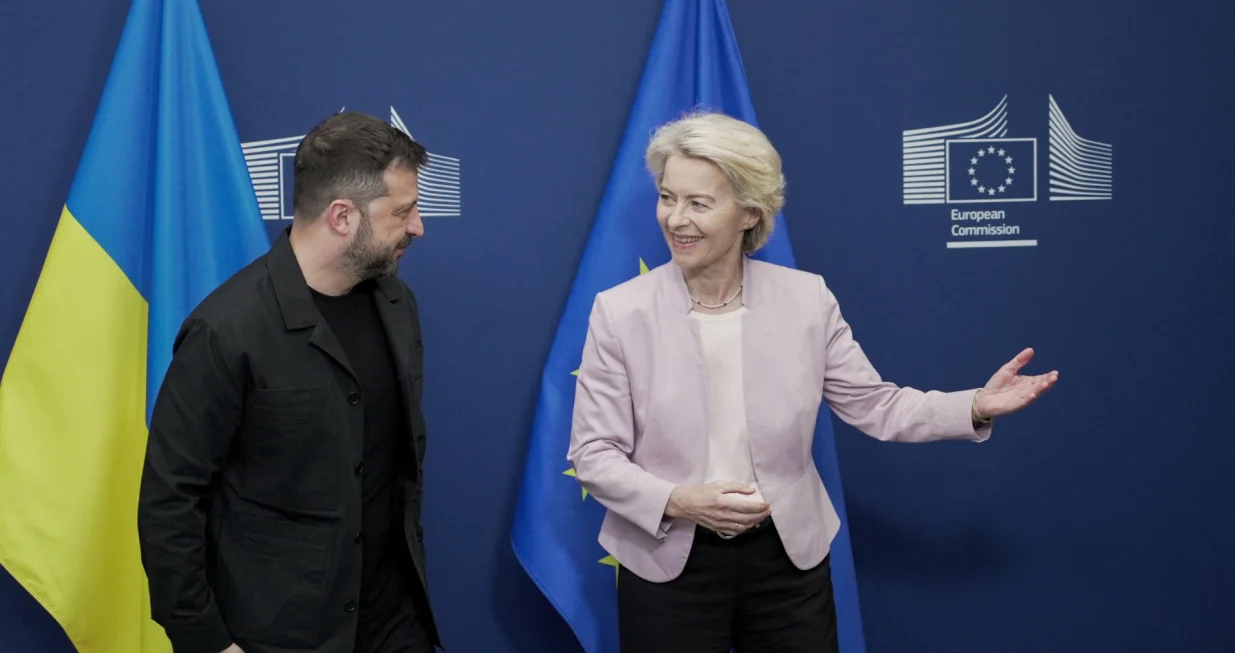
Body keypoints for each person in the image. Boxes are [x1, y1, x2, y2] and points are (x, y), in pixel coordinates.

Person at [566, 111, 1059, 653]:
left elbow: (878, 406)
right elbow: (593, 453)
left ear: (749, 213)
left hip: (787, 562)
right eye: (667, 197)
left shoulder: (806, 299)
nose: (675, 219)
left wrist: (976, 406)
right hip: (666, 562)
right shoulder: (619, 312)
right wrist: (681, 501)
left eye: (699, 203)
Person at [138, 110, 441, 653]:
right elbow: (170, 499)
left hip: (393, 625)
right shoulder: (226, 330)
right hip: (280, 636)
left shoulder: (398, 305)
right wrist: (206, 641)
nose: (418, 226)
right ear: (343, 216)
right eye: (404, 211)